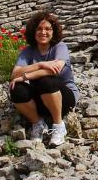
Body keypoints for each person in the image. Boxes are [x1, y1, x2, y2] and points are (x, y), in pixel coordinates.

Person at [9, 11, 79, 146]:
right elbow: (14, 74)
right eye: (39, 29)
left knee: (45, 80)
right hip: (41, 99)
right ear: (33, 32)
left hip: (64, 99)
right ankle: (38, 123)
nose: (43, 32)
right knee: (16, 88)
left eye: (48, 29)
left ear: (53, 32)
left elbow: (55, 69)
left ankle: (59, 126)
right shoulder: (28, 51)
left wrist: (25, 76)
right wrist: (40, 64)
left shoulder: (60, 47)